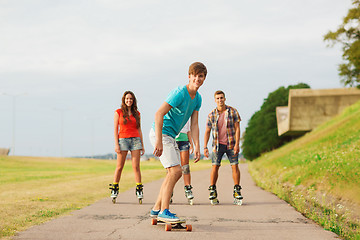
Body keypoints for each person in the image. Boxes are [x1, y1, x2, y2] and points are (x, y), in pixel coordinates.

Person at [149, 62, 207, 221]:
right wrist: (159, 141)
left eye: (200, 76)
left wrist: (197, 146)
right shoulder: (179, 93)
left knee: (172, 173)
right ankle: (164, 211)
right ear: (189, 76)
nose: (197, 79)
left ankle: (156, 209)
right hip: (161, 133)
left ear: (204, 79)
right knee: (175, 171)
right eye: (194, 75)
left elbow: (194, 124)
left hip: (170, 136)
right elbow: (159, 114)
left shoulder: (198, 99)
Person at [203, 90, 243, 205]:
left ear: (225, 99)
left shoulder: (233, 112)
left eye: (221, 98)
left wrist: (237, 144)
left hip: (231, 144)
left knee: (235, 166)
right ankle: (212, 189)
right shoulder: (211, 115)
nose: (220, 100)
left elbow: (237, 129)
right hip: (217, 145)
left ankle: (237, 189)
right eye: (218, 98)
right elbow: (207, 131)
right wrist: (205, 147)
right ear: (215, 100)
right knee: (215, 166)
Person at [109, 91, 145, 204]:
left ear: (133, 101)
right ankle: (115, 188)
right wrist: (116, 144)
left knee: (136, 166)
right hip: (123, 140)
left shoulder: (137, 113)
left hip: (135, 140)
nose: (129, 101)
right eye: (127, 99)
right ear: (124, 100)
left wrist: (142, 145)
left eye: (131, 99)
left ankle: (139, 189)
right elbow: (115, 129)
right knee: (119, 166)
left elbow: (139, 129)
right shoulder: (118, 112)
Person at [175, 119, 194, 204]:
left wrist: (192, 144)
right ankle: (169, 191)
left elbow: (189, 130)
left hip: (184, 140)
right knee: (171, 167)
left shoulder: (187, 113)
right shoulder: (171, 109)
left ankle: (188, 188)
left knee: (185, 167)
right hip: (173, 139)